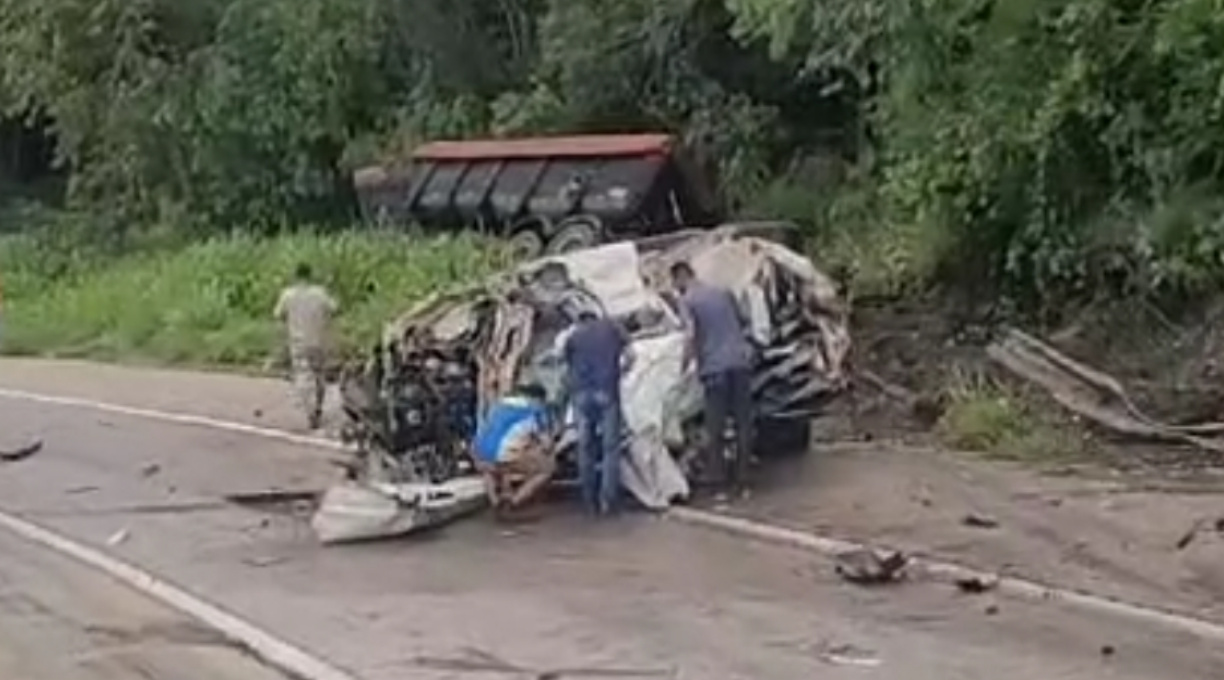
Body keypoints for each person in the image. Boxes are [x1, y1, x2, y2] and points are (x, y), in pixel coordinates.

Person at [670, 261, 755, 497]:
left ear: (680, 278)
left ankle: (718, 482)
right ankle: (744, 480)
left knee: (715, 427)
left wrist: (684, 367)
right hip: (740, 363)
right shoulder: (724, 292)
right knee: (743, 424)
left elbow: (690, 335)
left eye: (676, 284)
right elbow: (743, 321)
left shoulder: (688, 301)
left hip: (714, 369)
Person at [563, 310, 634, 516]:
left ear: (580, 319)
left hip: (581, 394)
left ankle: (588, 499)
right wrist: (621, 372)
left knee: (585, 446)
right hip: (606, 390)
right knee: (610, 447)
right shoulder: (612, 327)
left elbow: (567, 364)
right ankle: (608, 500)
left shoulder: (573, 336)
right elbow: (631, 355)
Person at [472, 383, 556, 514]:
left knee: (490, 466)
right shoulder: (535, 409)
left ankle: (495, 502)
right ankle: (513, 502)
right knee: (546, 468)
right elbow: (547, 444)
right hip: (504, 456)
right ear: (538, 399)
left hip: (478, 454)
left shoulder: (498, 405)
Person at [273, 263, 338, 431]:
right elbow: (334, 309)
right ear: (310, 275)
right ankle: (318, 407)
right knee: (319, 376)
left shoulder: (288, 295)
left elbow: (278, 314)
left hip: (298, 342)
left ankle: (311, 412)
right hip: (319, 341)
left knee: (303, 377)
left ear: (296, 276)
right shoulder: (320, 293)